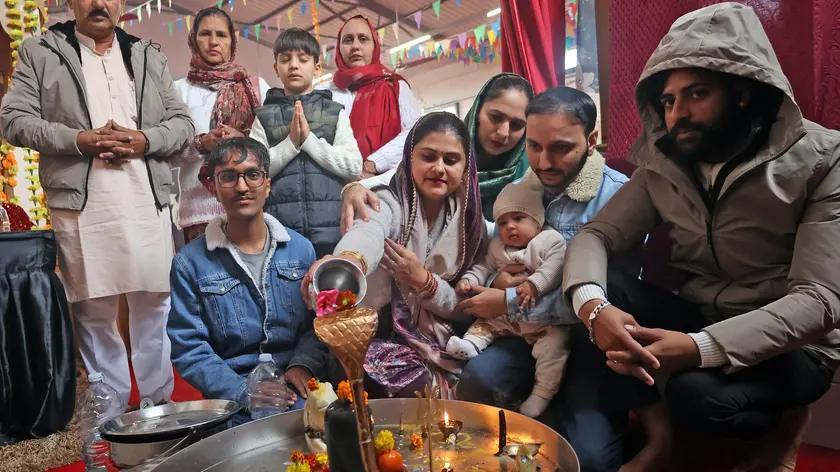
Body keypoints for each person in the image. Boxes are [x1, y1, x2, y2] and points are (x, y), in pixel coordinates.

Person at [563, 4, 839, 471]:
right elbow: (596, 235)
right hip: (698, 312)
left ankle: (789, 427)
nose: (678, 115)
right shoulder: (665, 165)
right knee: (595, 290)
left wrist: (697, 349)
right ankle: (658, 439)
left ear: (744, 92)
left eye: (697, 94)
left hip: (795, 344)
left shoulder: (824, 158)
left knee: (700, 399)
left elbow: (820, 301)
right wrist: (595, 308)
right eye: (668, 101)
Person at [0, 0, 193, 405]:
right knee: (92, 313)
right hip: (81, 205)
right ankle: (112, 421)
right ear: (71, 2)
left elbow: (182, 124)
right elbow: (13, 119)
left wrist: (145, 140)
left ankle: (159, 415)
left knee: (154, 309)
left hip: (146, 200)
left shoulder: (147, 54)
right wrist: (77, 140)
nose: (99, 2)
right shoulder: (41, 51)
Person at [450, 87, 649, 472]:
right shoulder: (523, 189)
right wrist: (495, 282)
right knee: (477, 380)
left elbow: (613, 298)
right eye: (535, 146)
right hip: (526, 333)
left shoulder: (617, 197)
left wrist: (506, 301)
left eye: (560, 148)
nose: (544, 161)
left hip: (591, 344)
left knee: (589, 459)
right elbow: (498, 257)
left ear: (591, 141)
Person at [301, 112, 487, 399]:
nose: (439, 168)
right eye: (428, 157)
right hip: (376, 335)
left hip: (444, 337)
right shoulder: (388, 200)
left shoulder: (471, 225)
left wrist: (425, 282)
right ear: (409, 158)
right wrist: (349, 262)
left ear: (465, 167)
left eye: (451, 160)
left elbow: (466, 307)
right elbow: (369, 230)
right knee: (414, 388)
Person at [167, 137, 328, 425]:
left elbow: (317, 324)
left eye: (252, 175)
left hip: (295, 385)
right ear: (213, 188)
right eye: (228, 177)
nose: (242, 187)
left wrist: (304, 365)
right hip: (229, 396)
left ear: (267, 184)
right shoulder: (189, 262)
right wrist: (243, 391)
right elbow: (188, 346)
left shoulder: (301, 249)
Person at [342, 73, 534, 226]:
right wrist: (354, 187)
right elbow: (403, 173)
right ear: (477, 112)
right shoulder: (447, 145)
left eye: (516, 125)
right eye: (495, 117)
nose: (503, 132)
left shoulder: (529, 175)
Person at [447, 178, 569, 418]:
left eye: (519, 218)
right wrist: (471, 280)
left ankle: (541, 394)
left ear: (537, 221)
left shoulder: (549, 241)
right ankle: (471, 345)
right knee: (485, 321)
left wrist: (534, 283)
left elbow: (557, 266)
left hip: (543, 322)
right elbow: (484, 266)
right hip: (507, 318)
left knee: (554, 349)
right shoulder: (498, 247)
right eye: (502, 222)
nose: (509, 227)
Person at [249, 28, 362, 258]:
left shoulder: (334, 112)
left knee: (331, 295)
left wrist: (309, 141)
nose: (293, 65)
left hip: (332, 234)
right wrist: (290, 144)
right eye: (285, 60)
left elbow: (354, 166)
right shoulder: (263, 116)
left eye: (302, 59)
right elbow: (253, 172)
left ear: (317, 67)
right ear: (276, 68)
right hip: (279, 236)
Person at [172, 7, 271, 244]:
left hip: (250, 207)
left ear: (232, 41)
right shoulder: (177, 90)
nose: (213, 41)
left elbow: (274, 147)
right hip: (198, 213)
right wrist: (202, 143)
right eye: (205, 34)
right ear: (193, 39)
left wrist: (243, 141)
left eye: (221, 35)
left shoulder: (256, 88)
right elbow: (167, 154)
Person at [319, 15, 421, 177]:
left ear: (375, 46)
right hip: (333, 187)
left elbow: (415, 132)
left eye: (363, 39)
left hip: (386, 186)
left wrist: (372, 164)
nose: (355, 46)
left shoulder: (395, 86)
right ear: (338, 48)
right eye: (347, 40)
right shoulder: (324, 92)